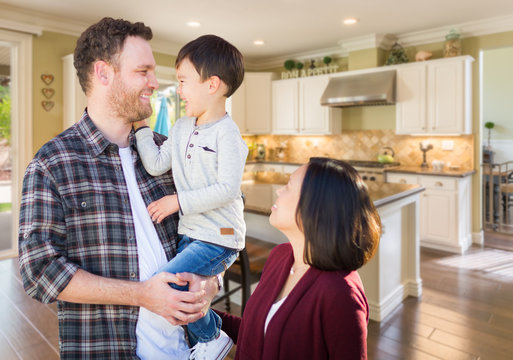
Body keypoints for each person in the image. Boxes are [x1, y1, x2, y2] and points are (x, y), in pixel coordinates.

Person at [18, 17, 221, 359]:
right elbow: (39, 271)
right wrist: (141, 294)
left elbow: (217, 226)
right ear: (103, 73)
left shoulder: (169, 151)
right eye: (143, 71)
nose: (155, 82)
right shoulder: (53, 164)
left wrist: (210, 281)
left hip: (187, 350)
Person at [133, 34, 247, 359]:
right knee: (187, 290)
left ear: (212, 85)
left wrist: (177, 202)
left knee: (163, 283)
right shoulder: (182, 127)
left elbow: (227, 189)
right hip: (192, 234)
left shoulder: (228, 134)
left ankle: (212, 337)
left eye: (183, 81)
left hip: (220, 237)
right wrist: (141, 128)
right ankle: (206, 338)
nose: (178, 89)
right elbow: (155, 164)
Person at [216, 157, 382, 360]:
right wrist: (201, 314)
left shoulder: (341, 295)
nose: (279, 191)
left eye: (288, 186)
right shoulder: (281, 255)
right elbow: (257, 332)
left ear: (316, 205)